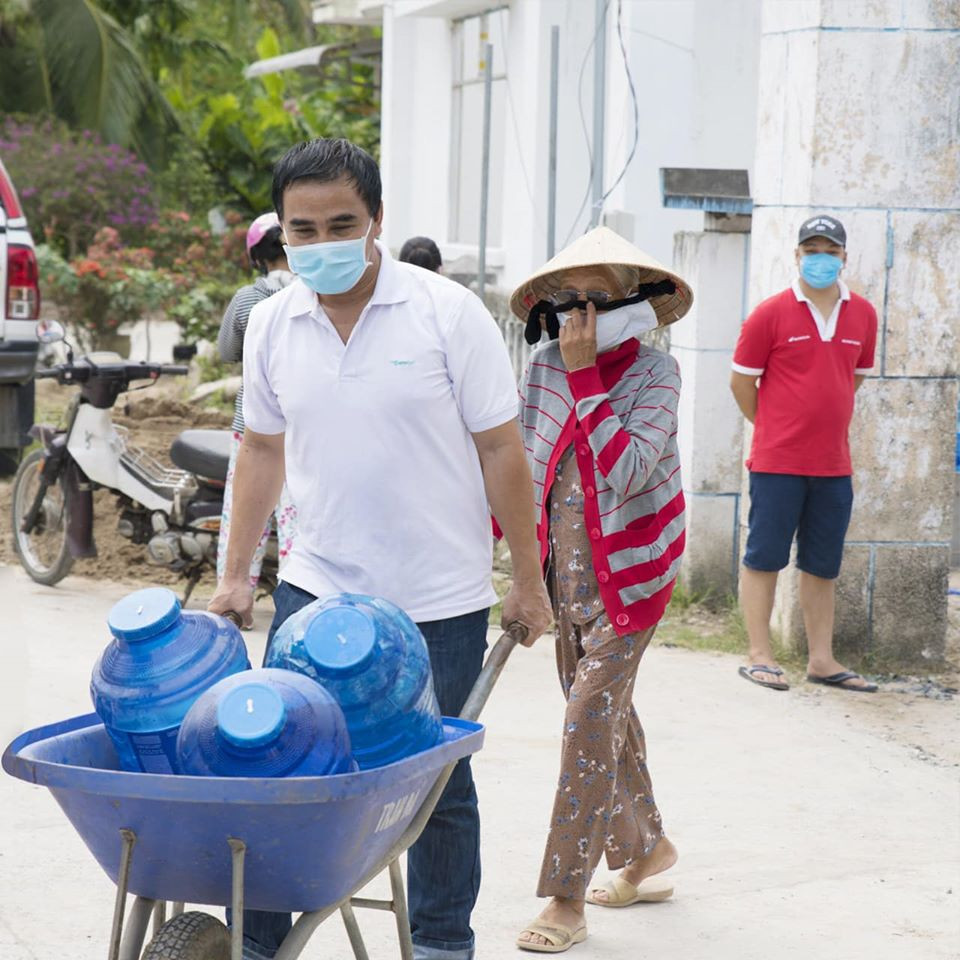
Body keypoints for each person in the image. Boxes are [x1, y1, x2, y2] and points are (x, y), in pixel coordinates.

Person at [208, 137, 552, 960]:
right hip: (314, 588)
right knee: (278, 766)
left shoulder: (446, 312)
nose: (320, 245)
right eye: (302, 230)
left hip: (436, 597)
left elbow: (503, 450)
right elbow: (260, 450)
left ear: (377, 222)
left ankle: (439, 944)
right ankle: (257, 944)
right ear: (279, 233)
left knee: (434, 783)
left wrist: (528, 582)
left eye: (340, 224)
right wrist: (233, 576)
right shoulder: (272, 325)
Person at [510, 226, 692, 953]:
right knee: (606, 719)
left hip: (635, 572)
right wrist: (523, 577)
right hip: (565, 574)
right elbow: (524, 470)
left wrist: (589, 378)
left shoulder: (657, 376)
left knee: (587, 721)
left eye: (595, 299)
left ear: (633, 301)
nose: (576, 317)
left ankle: (564, 899)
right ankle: (647, 850)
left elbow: (627, 471)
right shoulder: (540, 369)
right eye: (564, 301)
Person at [730, 215, 878, 693]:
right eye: (811, 250)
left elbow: (851, 379)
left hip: (834, 465)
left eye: (830, 251)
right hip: (777, 463)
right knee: (764, 557)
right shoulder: (769, 314)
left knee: (822, 563)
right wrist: (774, 427)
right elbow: (741, 383)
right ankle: (759, 654)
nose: (821, 259)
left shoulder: (864, 316)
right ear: (796, 256)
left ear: (844, 258)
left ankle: (821, 659)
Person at [216, 212, 298, 588]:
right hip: (304, 427)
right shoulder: (317, 296)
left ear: (257, 255)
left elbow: (227, 350)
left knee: (244, 513)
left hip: (251, 425)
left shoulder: (248, 298)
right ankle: (299, 595)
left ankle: (234, 590)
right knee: (296, 520)